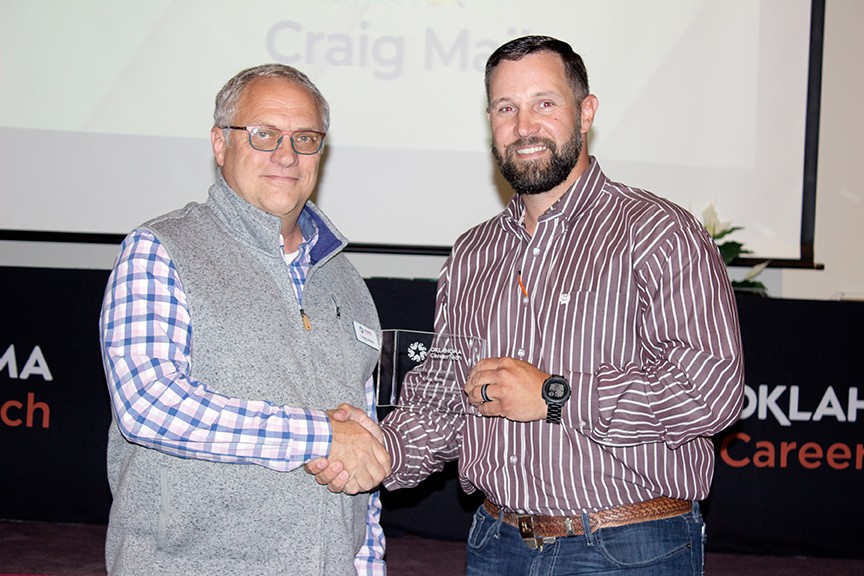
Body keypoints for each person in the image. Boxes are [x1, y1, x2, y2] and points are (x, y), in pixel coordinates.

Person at [309, 36, 744, 575]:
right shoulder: (473, 252)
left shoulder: (657, 232)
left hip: (627, 547)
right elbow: (446, 398)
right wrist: (377, 452)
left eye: (544, 103)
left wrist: (554, 395)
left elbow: (711, 392)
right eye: (505, 107)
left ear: (585, 112)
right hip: (497, 543)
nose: (523, 125)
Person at [99, 63, 391, 575]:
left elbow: (360, 464)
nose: (286, 155)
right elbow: (149, 404)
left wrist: (366, 565)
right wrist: (318, 435)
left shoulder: (346, 281)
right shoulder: (161, 250)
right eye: (264, 134)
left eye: (305, 138)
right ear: (219, 144)